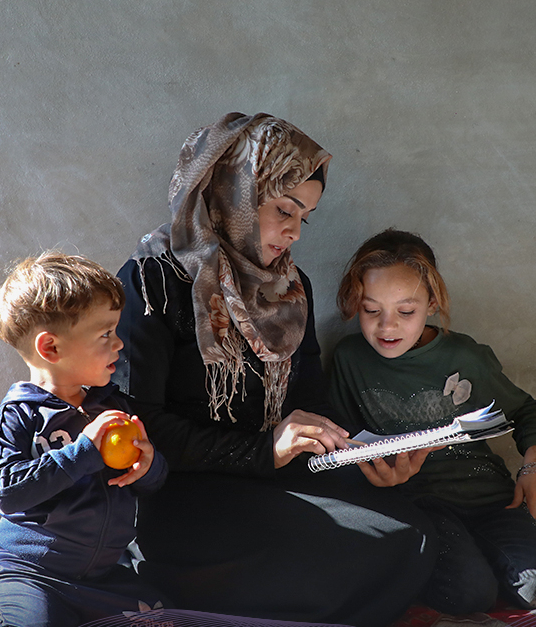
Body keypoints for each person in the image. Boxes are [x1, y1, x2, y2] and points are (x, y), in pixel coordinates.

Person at [113, 113, 437, 627]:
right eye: (284, 209)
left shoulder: (288, 288)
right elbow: (137, 424)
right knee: (317, 556)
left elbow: (312, 402)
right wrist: (265, 450)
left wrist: (364, 454)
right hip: (188, 491)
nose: (294, 233)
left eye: (304, 217)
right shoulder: (153, 282)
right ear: (234, 191)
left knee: (409, 535)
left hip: (276, 477)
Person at [328, 229, 536, 613]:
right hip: (418, 505)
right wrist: (374, 474)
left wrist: (535, 466)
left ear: (432, 303)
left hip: (490, 500)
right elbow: (341, 443)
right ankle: (465, 565)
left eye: (406, 311)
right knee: (468, 594)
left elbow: (525, 411)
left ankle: (486, 558)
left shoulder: (464, 356)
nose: (387, 326)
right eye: (371, 310)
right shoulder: (349, 360)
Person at [0, 252, 169, 627]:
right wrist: (84, 452)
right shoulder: (19, 415)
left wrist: (148, 464)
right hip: (33, 576)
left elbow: (153, 482)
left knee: (166, 618)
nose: (120, 344)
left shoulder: (113, 406)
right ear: (52, 348)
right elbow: (6, 489)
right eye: (106, 334)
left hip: (102, 577)